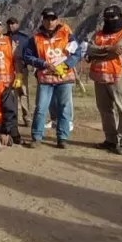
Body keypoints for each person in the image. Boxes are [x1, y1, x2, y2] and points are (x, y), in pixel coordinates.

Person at [23, 8, 81, 149]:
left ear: (57, 20)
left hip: (64, 78)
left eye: (53, 19)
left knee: (64, 108)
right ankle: (37, 137)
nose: (50, 22)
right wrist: (43, 64)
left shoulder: (67, 34)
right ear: (42, 20)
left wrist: (66, 64)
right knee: (41, 108)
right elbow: (27, 56)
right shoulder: (35, 38)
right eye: (47, 19)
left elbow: (77, 52)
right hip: (45, 80)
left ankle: (62, 138)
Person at [86, 5, 122, 155]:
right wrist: (108, 49)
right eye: (107, 17)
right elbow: (89, 50)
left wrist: (99, 51)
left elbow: (118, 51)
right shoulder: (99, 34)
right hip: (100, 75)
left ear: (120, 17)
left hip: (119, 75)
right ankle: (111, 139)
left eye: (113, 17)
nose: (110, 20)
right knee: (104, 109)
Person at [6, 17, 31, 127]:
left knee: (23, 93)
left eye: (13, 23)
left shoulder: (24, 38)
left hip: (20, 69)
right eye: (9, 24)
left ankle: (27, 117)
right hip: (8, 70)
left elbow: (28, 53)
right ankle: (13, 118)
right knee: (11, 94)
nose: (10, 25)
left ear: (17, 24)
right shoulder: (4, 38)